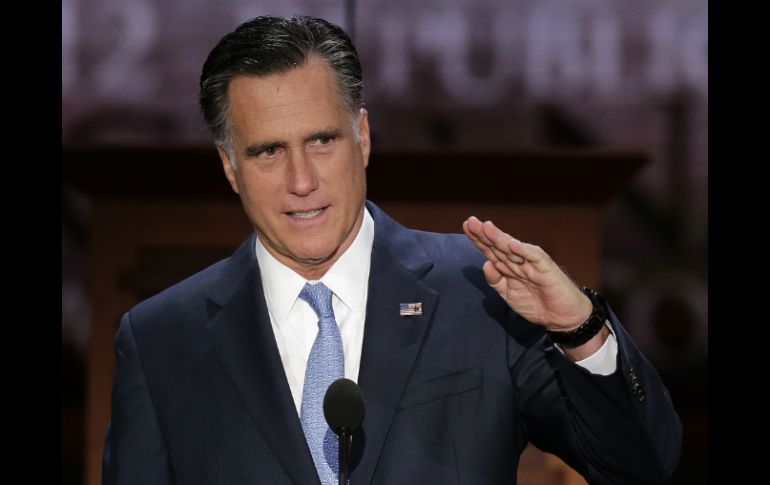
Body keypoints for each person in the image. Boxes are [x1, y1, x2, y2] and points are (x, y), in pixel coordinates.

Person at [102, 16, 681, 485]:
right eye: (268, 152)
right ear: (230, 167)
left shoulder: (482, 293)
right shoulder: (161, 341)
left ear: (363, 137)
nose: (301, 180)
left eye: (322, 141)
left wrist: (581, 330)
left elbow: (641, 465)